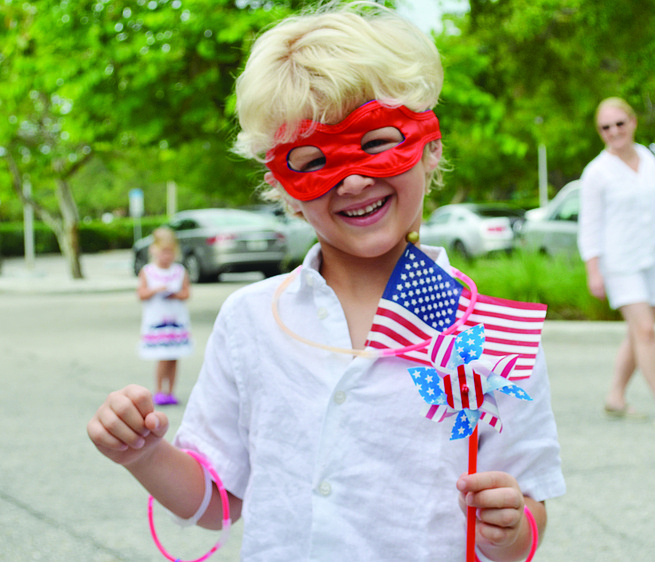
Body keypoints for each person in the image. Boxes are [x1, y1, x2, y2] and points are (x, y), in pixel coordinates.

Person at [88, 3, 565, 561]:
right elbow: (219, 501)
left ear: (429, 146)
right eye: (312, 160)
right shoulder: (251, 320)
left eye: (378, 142)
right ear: (283, 188)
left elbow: (528, 504)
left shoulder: (488, 333)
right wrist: (143, 454)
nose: (355, 179)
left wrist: (510, 529)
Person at [577, 97, 655, 430]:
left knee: (638, 332)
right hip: (620, 262)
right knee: (645, 330)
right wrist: (593, 270)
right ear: (599, 132)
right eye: (606, 127)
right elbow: (589, 226)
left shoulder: (653, 157)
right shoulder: (596, 172)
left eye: (620, 123)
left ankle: (615, 396)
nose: (614, 131)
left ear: (633, 122)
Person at [136, 226, 192, 406]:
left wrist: (174, 293)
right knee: (162, 356)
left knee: (174, 357)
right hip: (157, 320)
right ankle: (159, 390)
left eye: (170, 252)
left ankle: (171, 392)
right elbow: (141, 294)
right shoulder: (148, 271)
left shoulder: (180, 271)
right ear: (155, 251)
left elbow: (186, 293)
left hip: (176, 321)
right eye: (163, 252)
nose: (166, 256)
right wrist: (155, 290)